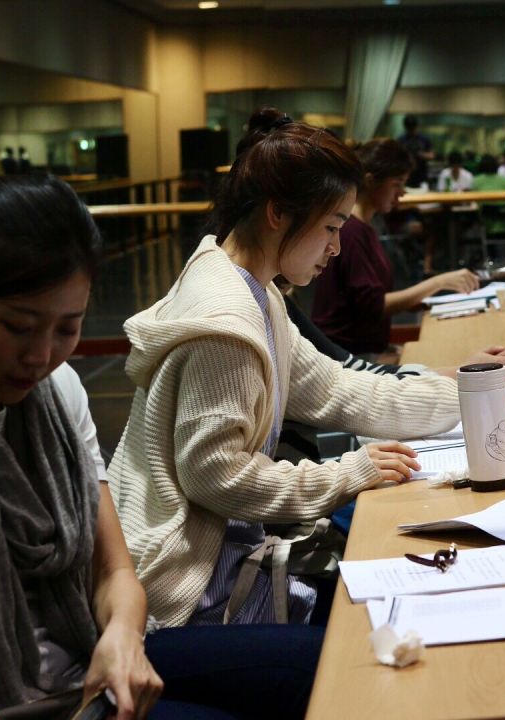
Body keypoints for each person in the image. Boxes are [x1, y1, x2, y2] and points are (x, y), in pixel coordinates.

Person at [0, 177, 317, 720]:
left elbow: (114, 573)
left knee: (319, 665)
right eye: (17, 326)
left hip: (87, 662)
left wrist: (121, 635)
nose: (41, 356)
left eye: (67, 328)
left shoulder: (59, 389)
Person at [107, 118, 463, 631]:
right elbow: (217, 475)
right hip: (188, 597)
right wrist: (348, 474)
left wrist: (466, 396)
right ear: (277, 214)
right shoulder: (227, 320)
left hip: (233, 573)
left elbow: (337, 388)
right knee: (374, 641)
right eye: (331, 228)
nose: (335, 248)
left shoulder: (258, 291)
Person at [312, 138, 480, 356]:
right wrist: (439, 282)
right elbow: (374, 306)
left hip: (361, 350)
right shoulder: (352, 231)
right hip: (346, 355)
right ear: (370, 181)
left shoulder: (362, 226)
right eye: (397, 184)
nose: (402, 193)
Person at [397, 114, 433, 189]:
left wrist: (419, 154)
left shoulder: (423, 139)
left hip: (421, 175)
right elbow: (396, 158)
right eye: (409, 128)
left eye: (413, 128)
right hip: (406, 176)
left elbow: (431, 155)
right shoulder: (401, 140)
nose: (411, 130)